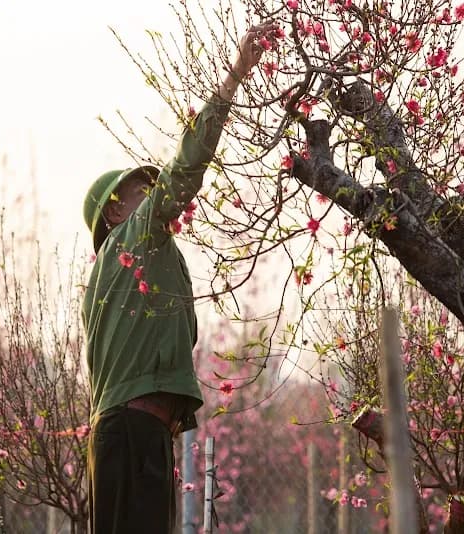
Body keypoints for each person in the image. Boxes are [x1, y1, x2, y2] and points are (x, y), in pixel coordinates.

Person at [81, 22, 275, 534]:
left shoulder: (110, 280)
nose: (152, 191)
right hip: (133, 433)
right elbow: (185, 169)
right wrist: (235, 76)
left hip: (126, 435)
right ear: (114, 212)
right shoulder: (133, 239)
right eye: (139, 189)